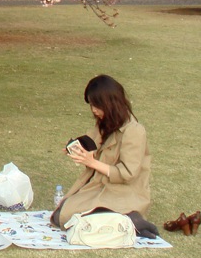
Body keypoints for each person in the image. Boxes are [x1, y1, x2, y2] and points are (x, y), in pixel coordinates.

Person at [50, 75, 158, 237]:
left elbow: (127, 173)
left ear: (110, 103)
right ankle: (122, 218)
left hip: (123, 191)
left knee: (67, 218)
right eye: (92, 105)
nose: (93, 110)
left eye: (97, 105)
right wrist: (76, 147)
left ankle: (131, 218)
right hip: (99, 186)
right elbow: (91, 142)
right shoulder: (106, 122)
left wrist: (92, 163)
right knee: (60, 215)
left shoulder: (134, 131)